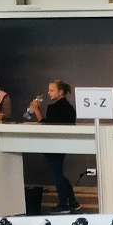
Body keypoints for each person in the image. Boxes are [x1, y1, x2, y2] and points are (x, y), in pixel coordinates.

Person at [30, 80, 80, 213]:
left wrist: (36, 110)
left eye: (51, 90)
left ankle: (64, 203)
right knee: (58, 173)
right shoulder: (69, 107)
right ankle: (71, 201)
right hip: (64, 143)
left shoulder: (54, 108)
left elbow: (47, 125)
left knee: (57, 174)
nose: (48, 93)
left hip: (52, 143)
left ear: (60, 91)